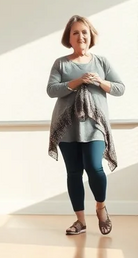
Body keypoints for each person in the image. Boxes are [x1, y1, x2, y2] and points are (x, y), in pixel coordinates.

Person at [47, 15, 125, 236]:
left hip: (95, 126)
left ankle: (100, 207)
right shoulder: (61, 63)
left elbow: (120, 88)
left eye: (84, 32)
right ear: (68, 38)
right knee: (74, 173)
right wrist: (78, 80)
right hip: (66, 126)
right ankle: (80, 221)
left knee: (95, 168)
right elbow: (52, 90)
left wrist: (99, 81)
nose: (80, 36)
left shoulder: (102, 63)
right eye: (75, 33)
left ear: (91, 36)